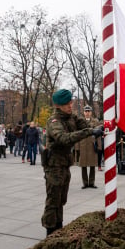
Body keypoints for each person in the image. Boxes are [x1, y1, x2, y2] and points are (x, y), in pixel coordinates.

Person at [41, 89, 103, 236]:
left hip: (64, 165)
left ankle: (58, 228)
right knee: (53, 201)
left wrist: (99, 128)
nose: (70, 106)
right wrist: (90, 132)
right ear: (58, 105)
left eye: (70, 102)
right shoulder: (54, 121)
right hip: (54, 166)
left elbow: (86, 126)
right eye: (66, 104)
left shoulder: (72, 117)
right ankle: (50, 232)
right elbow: (63, 138)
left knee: (61, 199)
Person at [76, 105, 102, 189]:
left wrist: (99, 146)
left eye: (89, 111)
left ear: (91, 112)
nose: (87, 113)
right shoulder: (80, 121)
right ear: (83, 112)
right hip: (83, 144)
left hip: (92, 144)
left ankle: (91, 182)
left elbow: (98, 134)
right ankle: (85, 183)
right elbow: (77, 134)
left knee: (92, 165)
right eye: (86, 111)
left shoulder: (95, 121)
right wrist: (77, 147)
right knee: (83, 165)